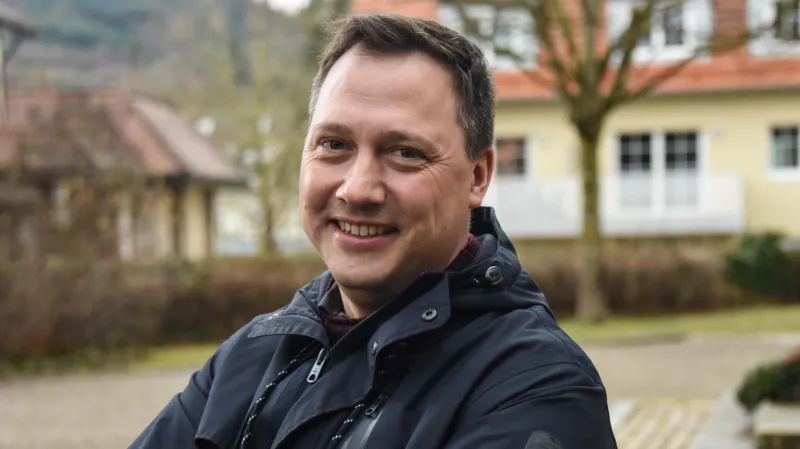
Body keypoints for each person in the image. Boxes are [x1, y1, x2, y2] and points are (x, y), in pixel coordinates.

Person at [129, 12, 618, 449]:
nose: (358, 189)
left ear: (477, 176)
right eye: (334, 144)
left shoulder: (536, 386)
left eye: (404, 152)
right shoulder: (251, 356)